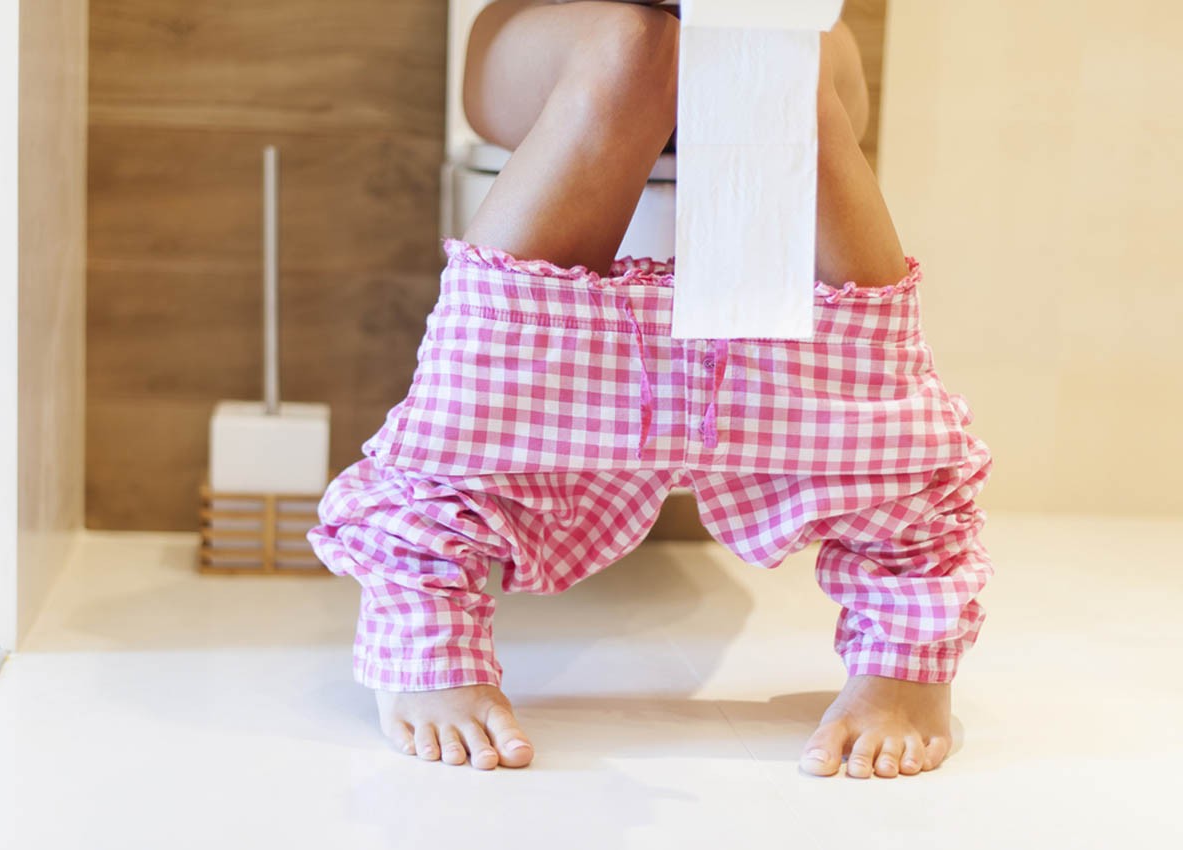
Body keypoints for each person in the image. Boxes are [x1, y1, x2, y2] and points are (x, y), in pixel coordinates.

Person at [308, 0, 994, 779]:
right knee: (632, 45)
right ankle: (426, 616)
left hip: (780, 40)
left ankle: (905, 647)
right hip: (562, 33)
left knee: (773, 55)